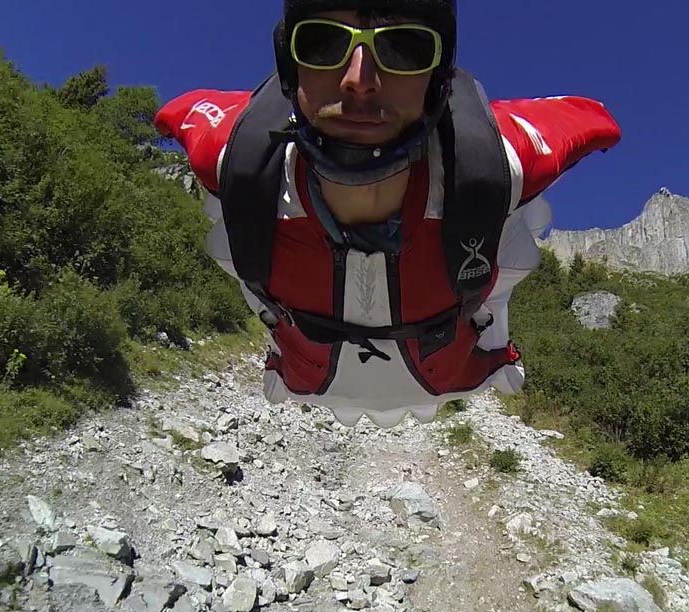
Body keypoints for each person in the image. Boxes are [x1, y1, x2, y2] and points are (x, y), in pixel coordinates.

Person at [155, 0, 621, 428]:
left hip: (429, 372)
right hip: (331, 374)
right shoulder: (234, 157)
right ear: (289, 68)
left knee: (513, 230)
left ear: (438, 79)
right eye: (323, 43)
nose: (359, 78)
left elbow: (588, 120)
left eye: (403, 47)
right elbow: (593, 117)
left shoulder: (498, 161)